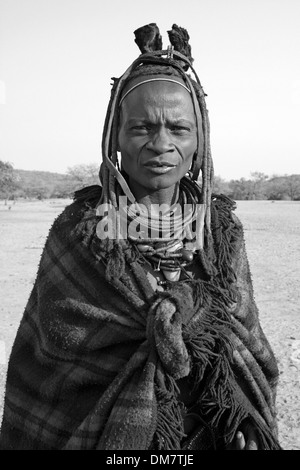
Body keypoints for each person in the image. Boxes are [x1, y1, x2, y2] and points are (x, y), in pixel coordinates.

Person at [0, 23, 281, 450]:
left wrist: (239, 415)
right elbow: (49, 371)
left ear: (199, 140)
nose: (161, 144)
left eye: (179, 129)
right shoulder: (82, 231)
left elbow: (244, 348)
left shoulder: (220, 230)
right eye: (141, 128)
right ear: (115, 135)